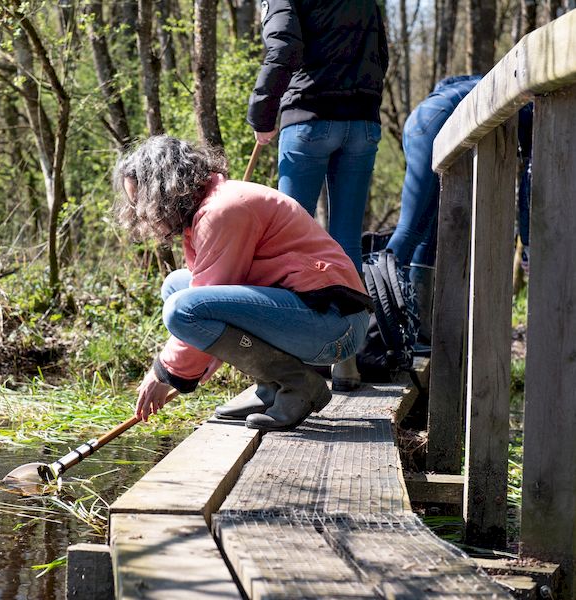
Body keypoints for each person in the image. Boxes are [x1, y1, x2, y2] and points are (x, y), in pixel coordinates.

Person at [112, 136, 373, 432]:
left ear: (163, 188)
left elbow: (198, 308)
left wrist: (164, 373)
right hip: (313, 316)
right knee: (177, 285)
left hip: (336, 325)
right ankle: (271, 388)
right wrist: (180, 368)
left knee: (180, 307)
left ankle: (300, 385)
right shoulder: (208, 210)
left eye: (141, 201)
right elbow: (214, 303)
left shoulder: (222, 211)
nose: (141, 213)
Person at [247, 0, 389, 391]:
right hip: (362, 124)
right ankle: (347, 363)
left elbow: (284, 49)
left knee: (285, 244)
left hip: (308, 119)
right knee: (345, 244)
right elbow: (381, 52)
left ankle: (283, 371)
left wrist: (263, 112)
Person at [384, 75, 533, 342]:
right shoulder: (533, 106)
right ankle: (376, 323)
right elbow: (530, 184)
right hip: (436, 125)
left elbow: (445, 82)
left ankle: (417, 332)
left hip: (422, 118)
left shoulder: (495, 83)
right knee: (410, 229)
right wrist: (529, 244)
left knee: (427, 233)